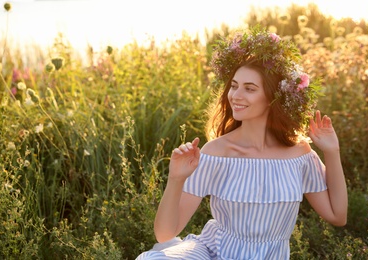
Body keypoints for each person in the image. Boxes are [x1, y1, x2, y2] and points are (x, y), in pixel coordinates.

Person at [136, 26, 348, 259]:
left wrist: (332, 151)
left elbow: (338, 216)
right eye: (234, 86)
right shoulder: (216, 152)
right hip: (211, 252)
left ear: (272, 98)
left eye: (250, 89)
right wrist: (176, 178)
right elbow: (165, 234)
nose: (236, 95)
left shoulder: (299, 155)